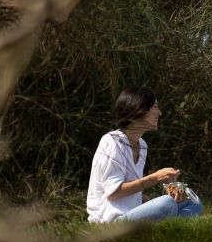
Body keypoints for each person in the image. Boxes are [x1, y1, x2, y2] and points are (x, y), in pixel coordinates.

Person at [86, 87, 204, 223]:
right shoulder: (112, 142)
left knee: (194, 203)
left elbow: (132, 193)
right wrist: (155, 178)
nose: (159, 113)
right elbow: (114, 193)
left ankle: (170, 231)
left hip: (131, 214)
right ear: (139, 109)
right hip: (110, 221)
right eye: (155, 107)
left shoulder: (142, 145)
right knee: (167, 204)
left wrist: (154, 201)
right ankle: (167, 228)